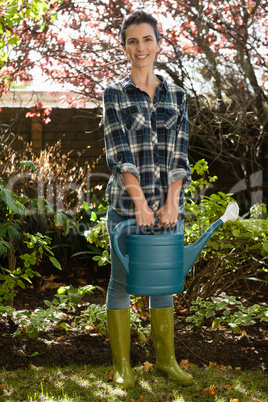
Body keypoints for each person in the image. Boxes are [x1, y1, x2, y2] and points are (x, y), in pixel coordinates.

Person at [103, 10, 193, 388]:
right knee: (122, 281)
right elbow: (118, 152)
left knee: (163, 280)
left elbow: (180, 152)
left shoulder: (177, 95)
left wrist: (172, 200)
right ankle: (123, 365)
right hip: (128, 207)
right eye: (132, 41)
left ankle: (166, 360)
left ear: (159, 43)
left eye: (147, 39)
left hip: (169, 208)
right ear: (124, 47)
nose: (141, 47)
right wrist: (140, 202)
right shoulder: (114, 94)